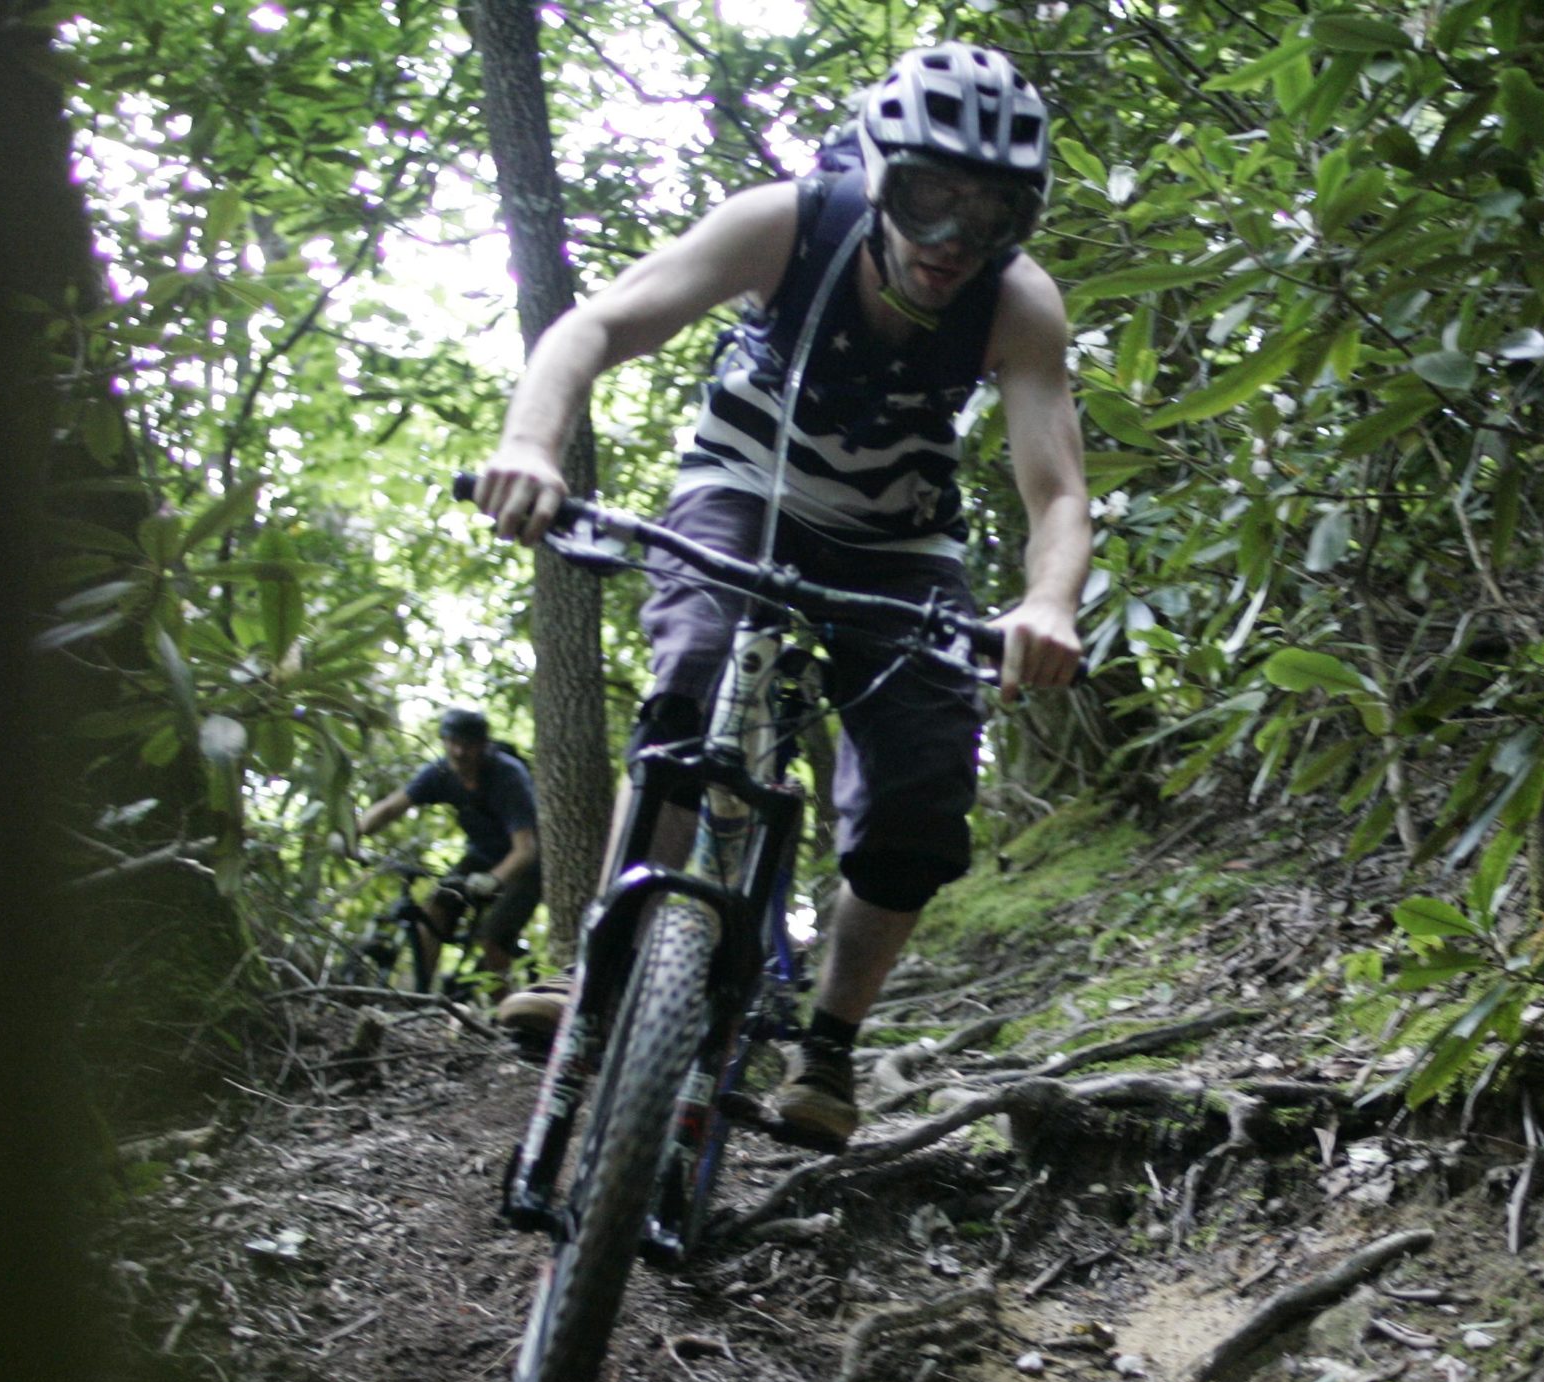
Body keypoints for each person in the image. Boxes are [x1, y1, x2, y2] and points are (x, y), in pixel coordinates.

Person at [470, 42, 1088, 1150]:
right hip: (742, 489)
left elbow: (1056, 494)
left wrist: (1047, 606)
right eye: (925, 198)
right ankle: (600, 977)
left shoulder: (1017, 305)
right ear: (877, 171)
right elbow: (595, 324)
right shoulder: (787, 223)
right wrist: (531, 446)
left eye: (986, 216)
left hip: (900, 544)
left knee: (918, 801)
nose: (949, 241)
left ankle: (831, 1043)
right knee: (692, 687)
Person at [349, 707, 543, 997]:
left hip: (526, 866)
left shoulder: (507, 776)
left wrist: (494, 880)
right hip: (480, 856)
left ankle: (505, 1015)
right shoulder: (440, 774)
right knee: (435, 910)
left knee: (493, 936)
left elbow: (526, 849)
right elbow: (391, 807)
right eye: (452, 742)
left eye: (467, 744)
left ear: (482, 745)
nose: (459, 752)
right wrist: (353, 833)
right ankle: (422, 995)